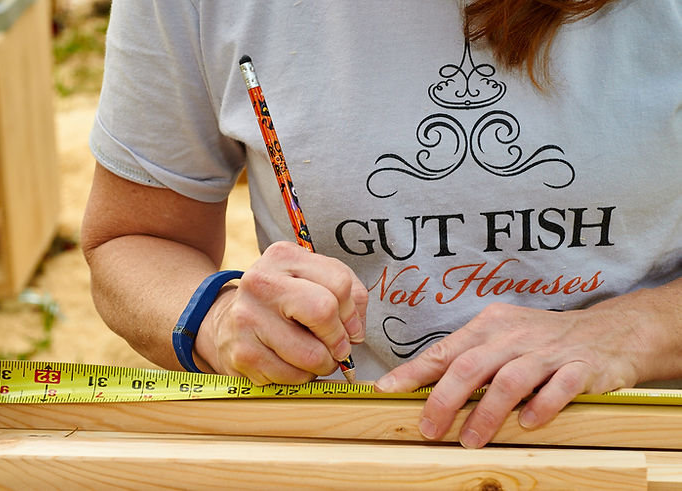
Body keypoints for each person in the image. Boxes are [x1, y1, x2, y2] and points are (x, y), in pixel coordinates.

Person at [81, 0, 682, 448]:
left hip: (642, 449)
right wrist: (215, 320)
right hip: (351, 450)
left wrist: (637, 330)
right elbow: (134, 239)